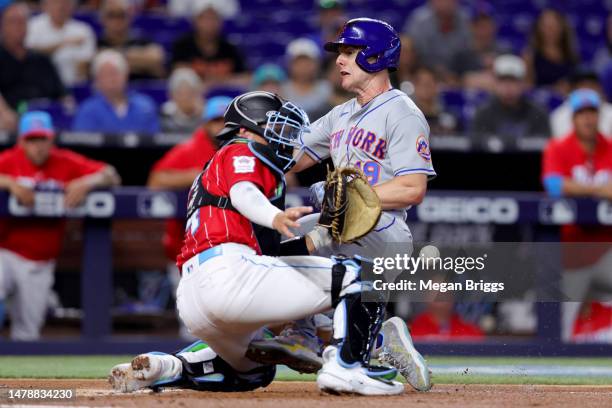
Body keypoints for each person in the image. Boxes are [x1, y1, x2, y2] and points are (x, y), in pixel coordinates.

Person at [109, 91, 430, 395]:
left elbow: (277, 254)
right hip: (229, 272)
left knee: (252, 372)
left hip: (196, 298)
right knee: (360, 275)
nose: (286, 138)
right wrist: (275, 216)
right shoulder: (240, 149)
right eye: (277, 127)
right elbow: (244, 193)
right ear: (249, 129)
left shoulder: (232, 172)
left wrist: (322, 234)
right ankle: (348, 366)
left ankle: (168, 366)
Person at [0, 111, 120, 340]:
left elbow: (111, 174)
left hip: (40, 262)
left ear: (51, 139)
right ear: (21, 141)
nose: (37, 146)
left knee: (27, 334)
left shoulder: (64, 160)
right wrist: (8, 182)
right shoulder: (10, 160)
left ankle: (17, 377)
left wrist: (88, 181)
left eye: (42, 139)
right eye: (31, 140)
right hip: (6, 252)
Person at [150, 95, 230, 338]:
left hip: (228, 248)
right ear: (205, 124)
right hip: (186, 249)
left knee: (226, 319)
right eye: (215, 121)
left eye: (225, 121)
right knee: (192, 324)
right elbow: (155, 181)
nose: (220, 127)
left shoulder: (242, 147)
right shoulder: (190, 149)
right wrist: (197, 174)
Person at [542, 89, 612, 342]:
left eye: (592, 112)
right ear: (573, 118)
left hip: (606, 252)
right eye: (581, 113)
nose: (587, 119)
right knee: (561, 332)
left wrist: (584, 189)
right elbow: (553, 185)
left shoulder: (610, 147)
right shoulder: (559, 147)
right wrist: (598, 190)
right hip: (572, 256)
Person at [0, 2, 66, 120]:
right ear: (2, 26)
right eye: (13, 22)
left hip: (44, 122)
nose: (18, 26)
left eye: (22, 21)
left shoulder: (43, 61)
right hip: (7, 124)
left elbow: (62, 96)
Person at [72, 50, 159, 133]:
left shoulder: (145, 107)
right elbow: (81, 144)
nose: (111, 79)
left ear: (125, 76)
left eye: (115, 73)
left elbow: (155, 141)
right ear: (96, 80)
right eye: (105, 75)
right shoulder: (87, 110)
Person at [472, 54, 550, 139]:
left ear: (522, 83)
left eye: (513, 81)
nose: (508, 86)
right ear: (495, 83)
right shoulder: (483, 114)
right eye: (503, 80)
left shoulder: (538, 114)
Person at [171, 0, 247, 84]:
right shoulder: (183, 46)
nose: (209, 24)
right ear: (195, 21)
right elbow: (178, 74)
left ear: (220, 22)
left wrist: (218, 82)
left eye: (213, 18)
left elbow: (245, 77)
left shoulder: (230, 47)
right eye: (204, 18)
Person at [25, 0, 96, 86]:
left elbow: (84, 64)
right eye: (56, 2)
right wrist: (64, 43)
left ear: (72, 7)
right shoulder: (32, 26)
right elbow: (29, 53)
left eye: (65, 3)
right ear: (46, 5)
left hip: (72, 84)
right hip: (40, 86)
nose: (61, 7)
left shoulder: (83, 30)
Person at [403, 0, 473, 83]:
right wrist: (437, 73)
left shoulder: (465, 19)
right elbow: (414, 53)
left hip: (458, 74)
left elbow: (469, 51)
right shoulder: (420, 21)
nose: (446, 3)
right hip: (425, 72)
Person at [97, 0, 165, 80]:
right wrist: (140, 63)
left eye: (121, 15)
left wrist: (109, 56)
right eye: (111, 15)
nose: (117, 21)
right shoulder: (97, 43)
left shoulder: (142, 40)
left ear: (130, 17)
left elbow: (156, 59)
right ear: (102, 18)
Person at [523, 8, 579, 93]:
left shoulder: (572, 56)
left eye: (554, 26)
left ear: (562, 28)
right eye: (546, 26)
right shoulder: (530, 56)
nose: (550, 31)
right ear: (539, 28)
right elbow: (526, 89)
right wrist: (553, 90)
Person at [550, 68, 612, 139]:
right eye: (582, 85)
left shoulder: (610, 112)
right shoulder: (559, 115)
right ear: (572, 89)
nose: (587, 90)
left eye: (591, 86)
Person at [281, 38, 332, 121]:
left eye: (307, 62)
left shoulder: (327, 88)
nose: (303, 66)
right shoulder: (282, 90)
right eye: (298, 62)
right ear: (290, 65)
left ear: (317, 64)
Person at [411, 66, 459, 135]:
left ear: (436, 86)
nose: (425, 88)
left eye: (429, 84)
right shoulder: (407, 117)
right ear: (415, 86)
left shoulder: (448, 117)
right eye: (422, 83)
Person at [160, 68, 205, 133]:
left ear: (197, 93)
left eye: (189, 93)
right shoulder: (165, 114)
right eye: (180, 93)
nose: (185, 98)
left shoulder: (205, 115)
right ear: (172, 95)